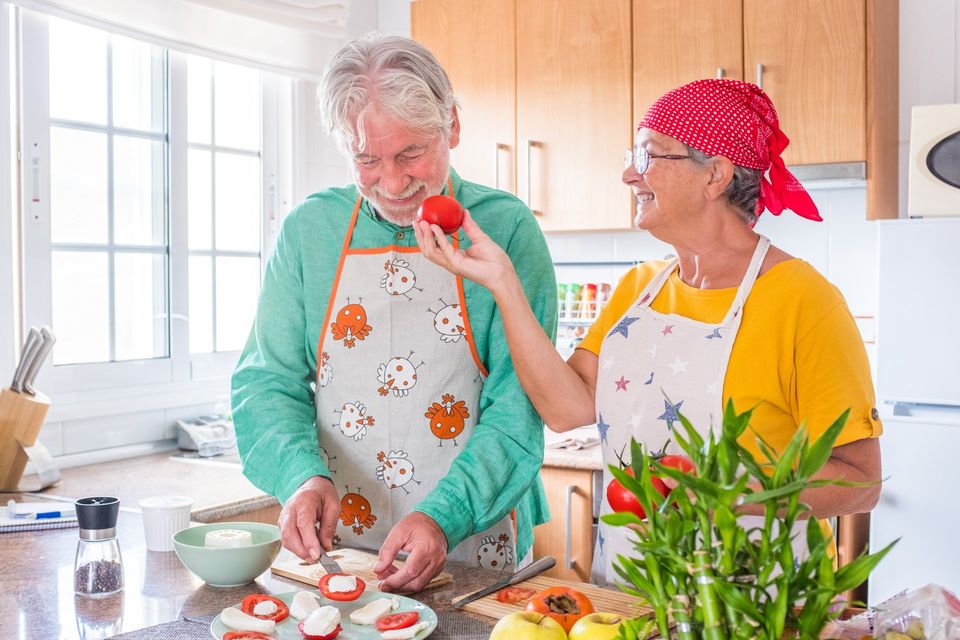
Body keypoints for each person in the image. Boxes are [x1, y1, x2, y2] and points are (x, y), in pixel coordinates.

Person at [415, 78, 882, 586]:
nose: (628, 174)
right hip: (629, 593)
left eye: (649, 154)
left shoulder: (803, 301)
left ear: (716, 175)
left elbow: (862, 478)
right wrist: (502, 282)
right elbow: (567, 408)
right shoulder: (638, 288)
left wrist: (732, 493)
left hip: (746, 602)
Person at [231, 33, 557, 593]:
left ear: (451, 126)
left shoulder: (505, 229)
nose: (394, 181)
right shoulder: (310, 231)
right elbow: (267, 382)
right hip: (345, 556)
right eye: (367, 159)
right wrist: (300, 478)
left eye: (411, 153)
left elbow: (519, 408)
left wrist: (443, 516)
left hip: (471, 549)